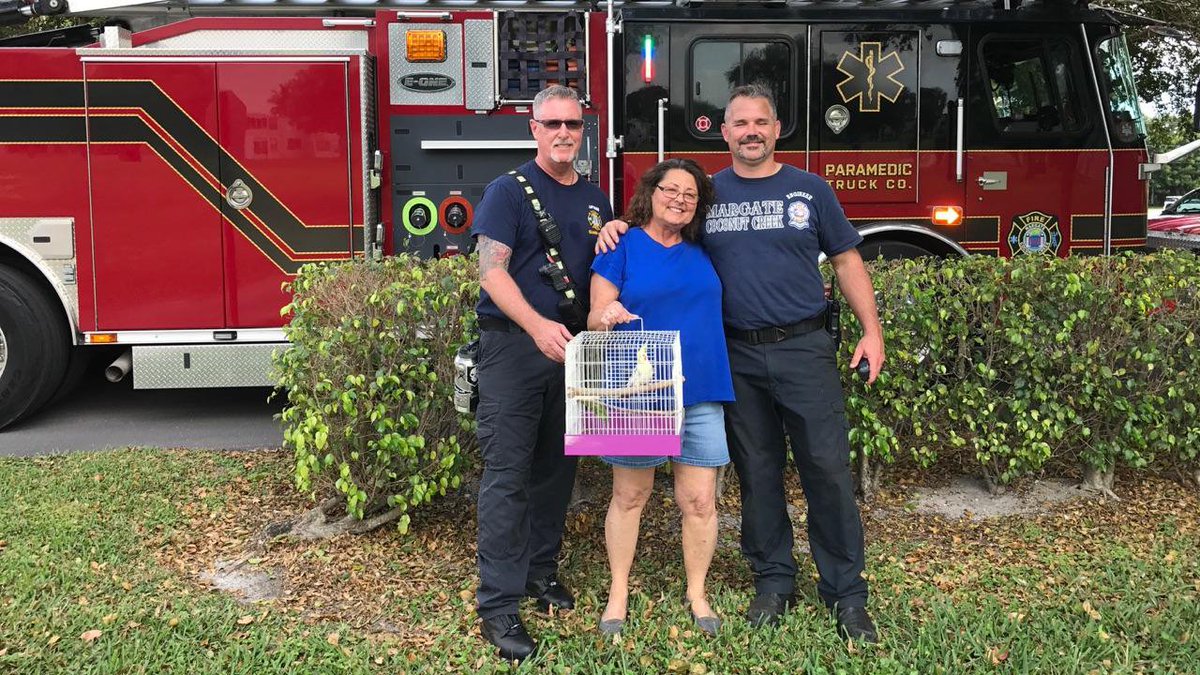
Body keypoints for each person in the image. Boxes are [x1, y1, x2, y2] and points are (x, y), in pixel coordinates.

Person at [597, 84, 885, 643]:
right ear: (723, 132)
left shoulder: (811, 190)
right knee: (757, 473)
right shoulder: (707, 196)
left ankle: (847, 595)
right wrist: (617, 227)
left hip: (805, 347)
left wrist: (872, 330)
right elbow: (662, 235)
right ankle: (774, 582)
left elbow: (847, 260)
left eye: (761, 122)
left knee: (826, 470)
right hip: (736, 355)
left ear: (777, 129)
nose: (751, 132)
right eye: (740, 123)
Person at [471, 84, 614, 662]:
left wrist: (616, 233)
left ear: (584, 131)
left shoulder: (596, 199)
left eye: (573, 125)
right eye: (551, 123)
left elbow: (605, 270)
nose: (563, 133)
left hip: (574, 352)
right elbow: (490, 272)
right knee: (507, 474)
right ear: (533, 128)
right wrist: (534, 326)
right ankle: (499, 605)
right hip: (515, 347)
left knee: (557, 471)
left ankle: (538, 572)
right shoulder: (507, 192)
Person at [587, 159, 734, 638]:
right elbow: (594, 316)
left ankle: (697, 593)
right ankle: (618, 592)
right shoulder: (620, 244)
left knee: (699, 501)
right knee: (631, 495)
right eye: (670, 189)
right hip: (639, 391)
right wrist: (606, 316)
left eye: (690, 194)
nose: (680, 199)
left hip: (702, 388)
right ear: (649, 193)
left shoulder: (704, 246)